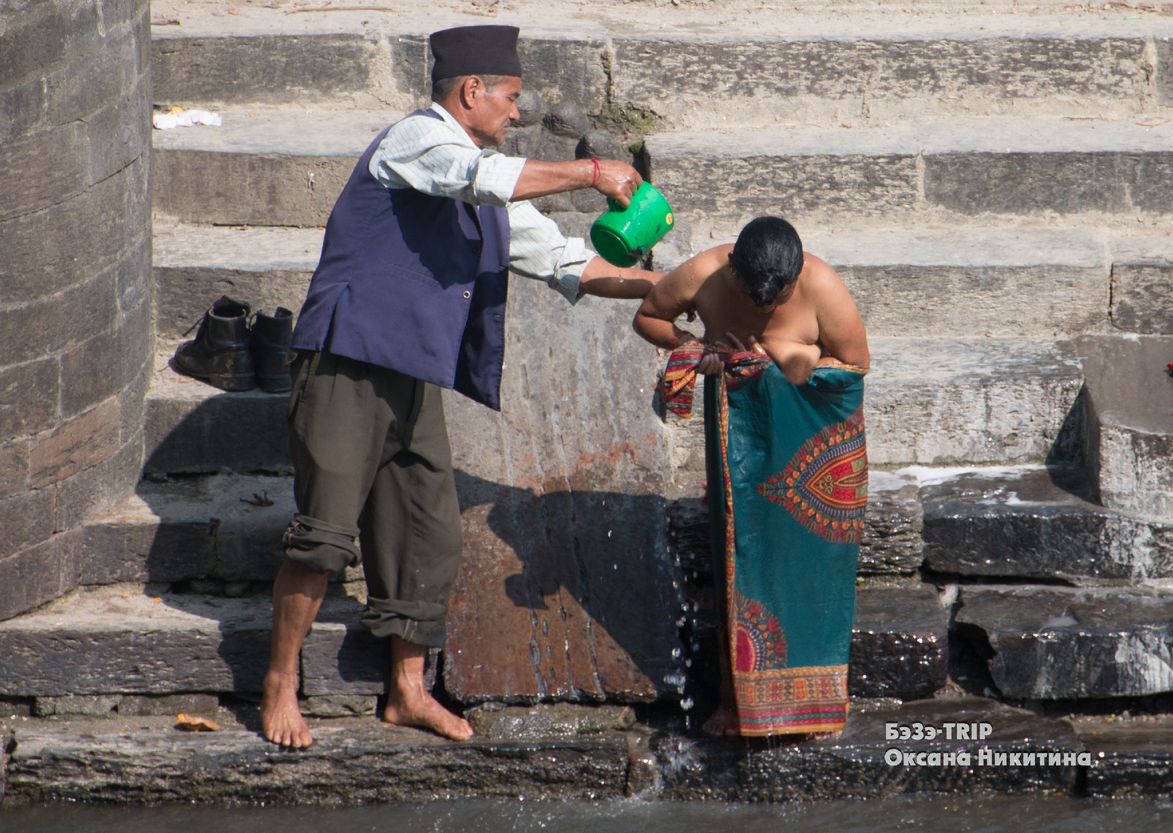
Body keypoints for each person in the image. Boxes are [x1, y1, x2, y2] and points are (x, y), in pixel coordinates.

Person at [261, 24, 662, 749]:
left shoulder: (492, 181)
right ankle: (280, 683)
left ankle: (408, 691)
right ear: (470, 92)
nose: (515, 112)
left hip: (413, 375)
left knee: (430, 535)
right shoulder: (416, 140)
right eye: (509, 98)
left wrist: (667, 286)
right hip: (346, 361)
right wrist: (589, 173)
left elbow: (567, 262)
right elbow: (477, 179)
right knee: (323, 538)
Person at [633, 216, 870, 738]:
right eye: (752, 294)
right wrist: (695, 346)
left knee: (810, 567)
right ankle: (733, 702)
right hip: (738, 448)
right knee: (736, 563)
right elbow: (649, 314)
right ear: (733, 269)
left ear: (794, 278)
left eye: (777, 299)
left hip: (806, 453)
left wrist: (788, 361)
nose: (766, 308)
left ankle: (822, 699)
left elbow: (854, 367)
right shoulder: (704, 274)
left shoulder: (820, 284)